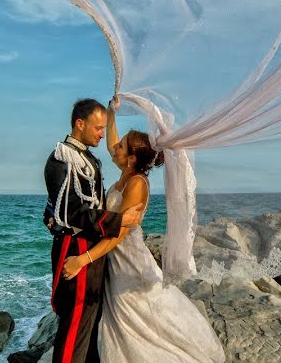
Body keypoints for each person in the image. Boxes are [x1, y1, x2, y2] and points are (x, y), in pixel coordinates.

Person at [62, 97, 225, 362]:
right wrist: (112, 114)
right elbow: (114, 140)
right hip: (115, 259)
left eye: (121, 146)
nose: (114, 147)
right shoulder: (126, 172)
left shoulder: (137, 184)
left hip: (129, 259)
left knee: (141, 312)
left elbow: (119, 234)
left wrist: (83, 259)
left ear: (132, 157)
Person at [44, 98, 144, 363]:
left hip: (92, 248)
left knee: (89, 319)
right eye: (98, 128)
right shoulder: (61, 158)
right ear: (80, 124)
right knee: (76, 320)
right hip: (76, 248)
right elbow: (69, 211)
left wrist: (112, 114)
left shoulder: (86, 158)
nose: (103, 134)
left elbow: (58, 207)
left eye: (103, 128)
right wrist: (117, 220)